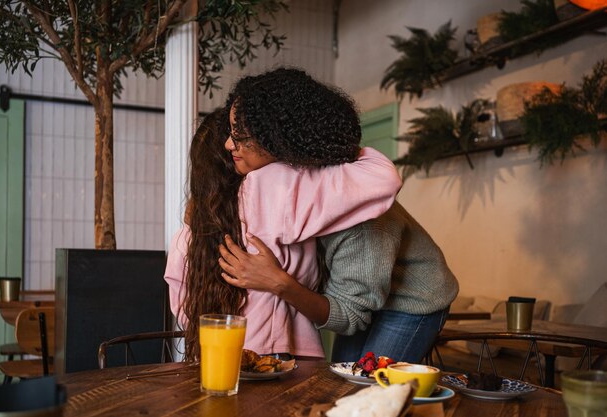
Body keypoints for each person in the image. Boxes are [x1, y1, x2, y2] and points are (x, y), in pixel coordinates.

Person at [164, 68, 402, 361]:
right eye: (231, 136)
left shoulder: (184, 238)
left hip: (215, 359)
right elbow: (383, 176)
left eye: (240, 136)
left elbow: (183, 311)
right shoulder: (274, 192)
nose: (231, 144)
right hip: (289, 360)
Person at [219, 201, 459, 363]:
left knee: (370, 395)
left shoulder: (362, 223)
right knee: (341, 383)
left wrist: (278, 282)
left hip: (413, 301)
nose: (231, 144)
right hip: (361, 295)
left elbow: (349, 316)